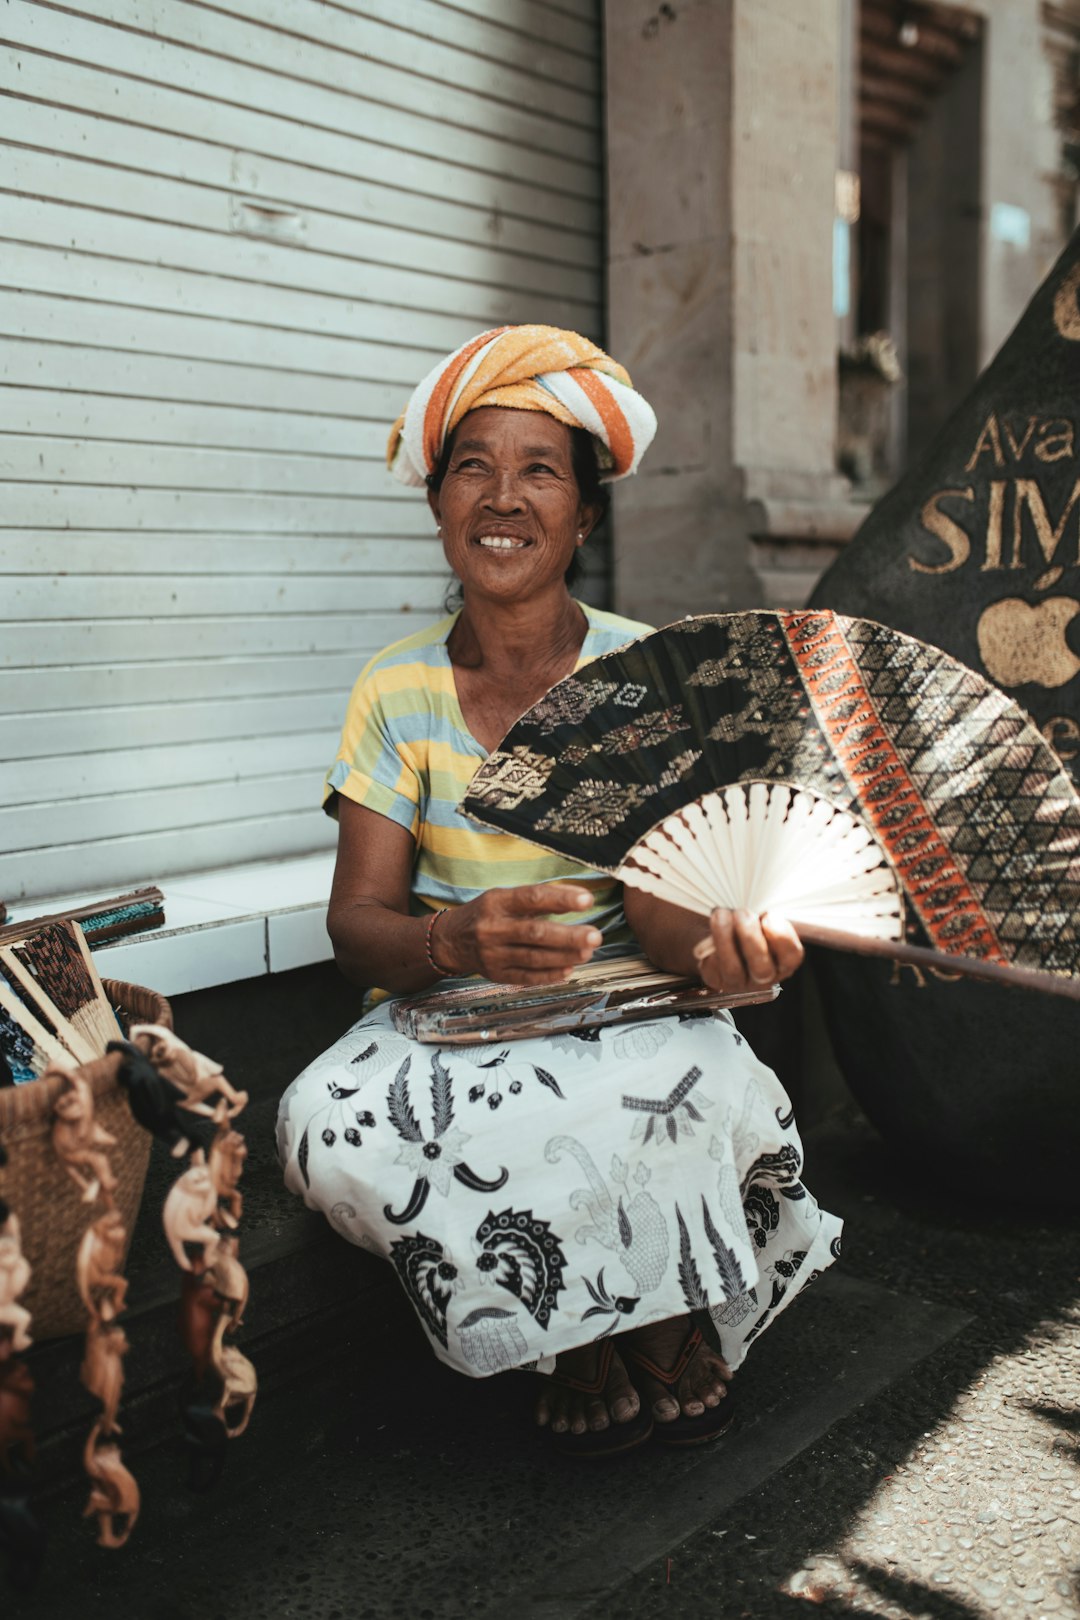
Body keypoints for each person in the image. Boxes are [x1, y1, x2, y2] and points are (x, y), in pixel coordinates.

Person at [278, 325, 842, 1455]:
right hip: (453, 1024)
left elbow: (668, 912)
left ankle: (653, 1316)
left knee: (686, 1076)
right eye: (473, 465)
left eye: (541, 468)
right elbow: (358, 929)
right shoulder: (395, 689)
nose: (503, 494)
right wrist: (454, 942)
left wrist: (728, 947)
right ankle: (574, 1330)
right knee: (319, 1127)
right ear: (440, 505)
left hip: (624, 1007)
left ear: (586, 516)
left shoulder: (640, 676)